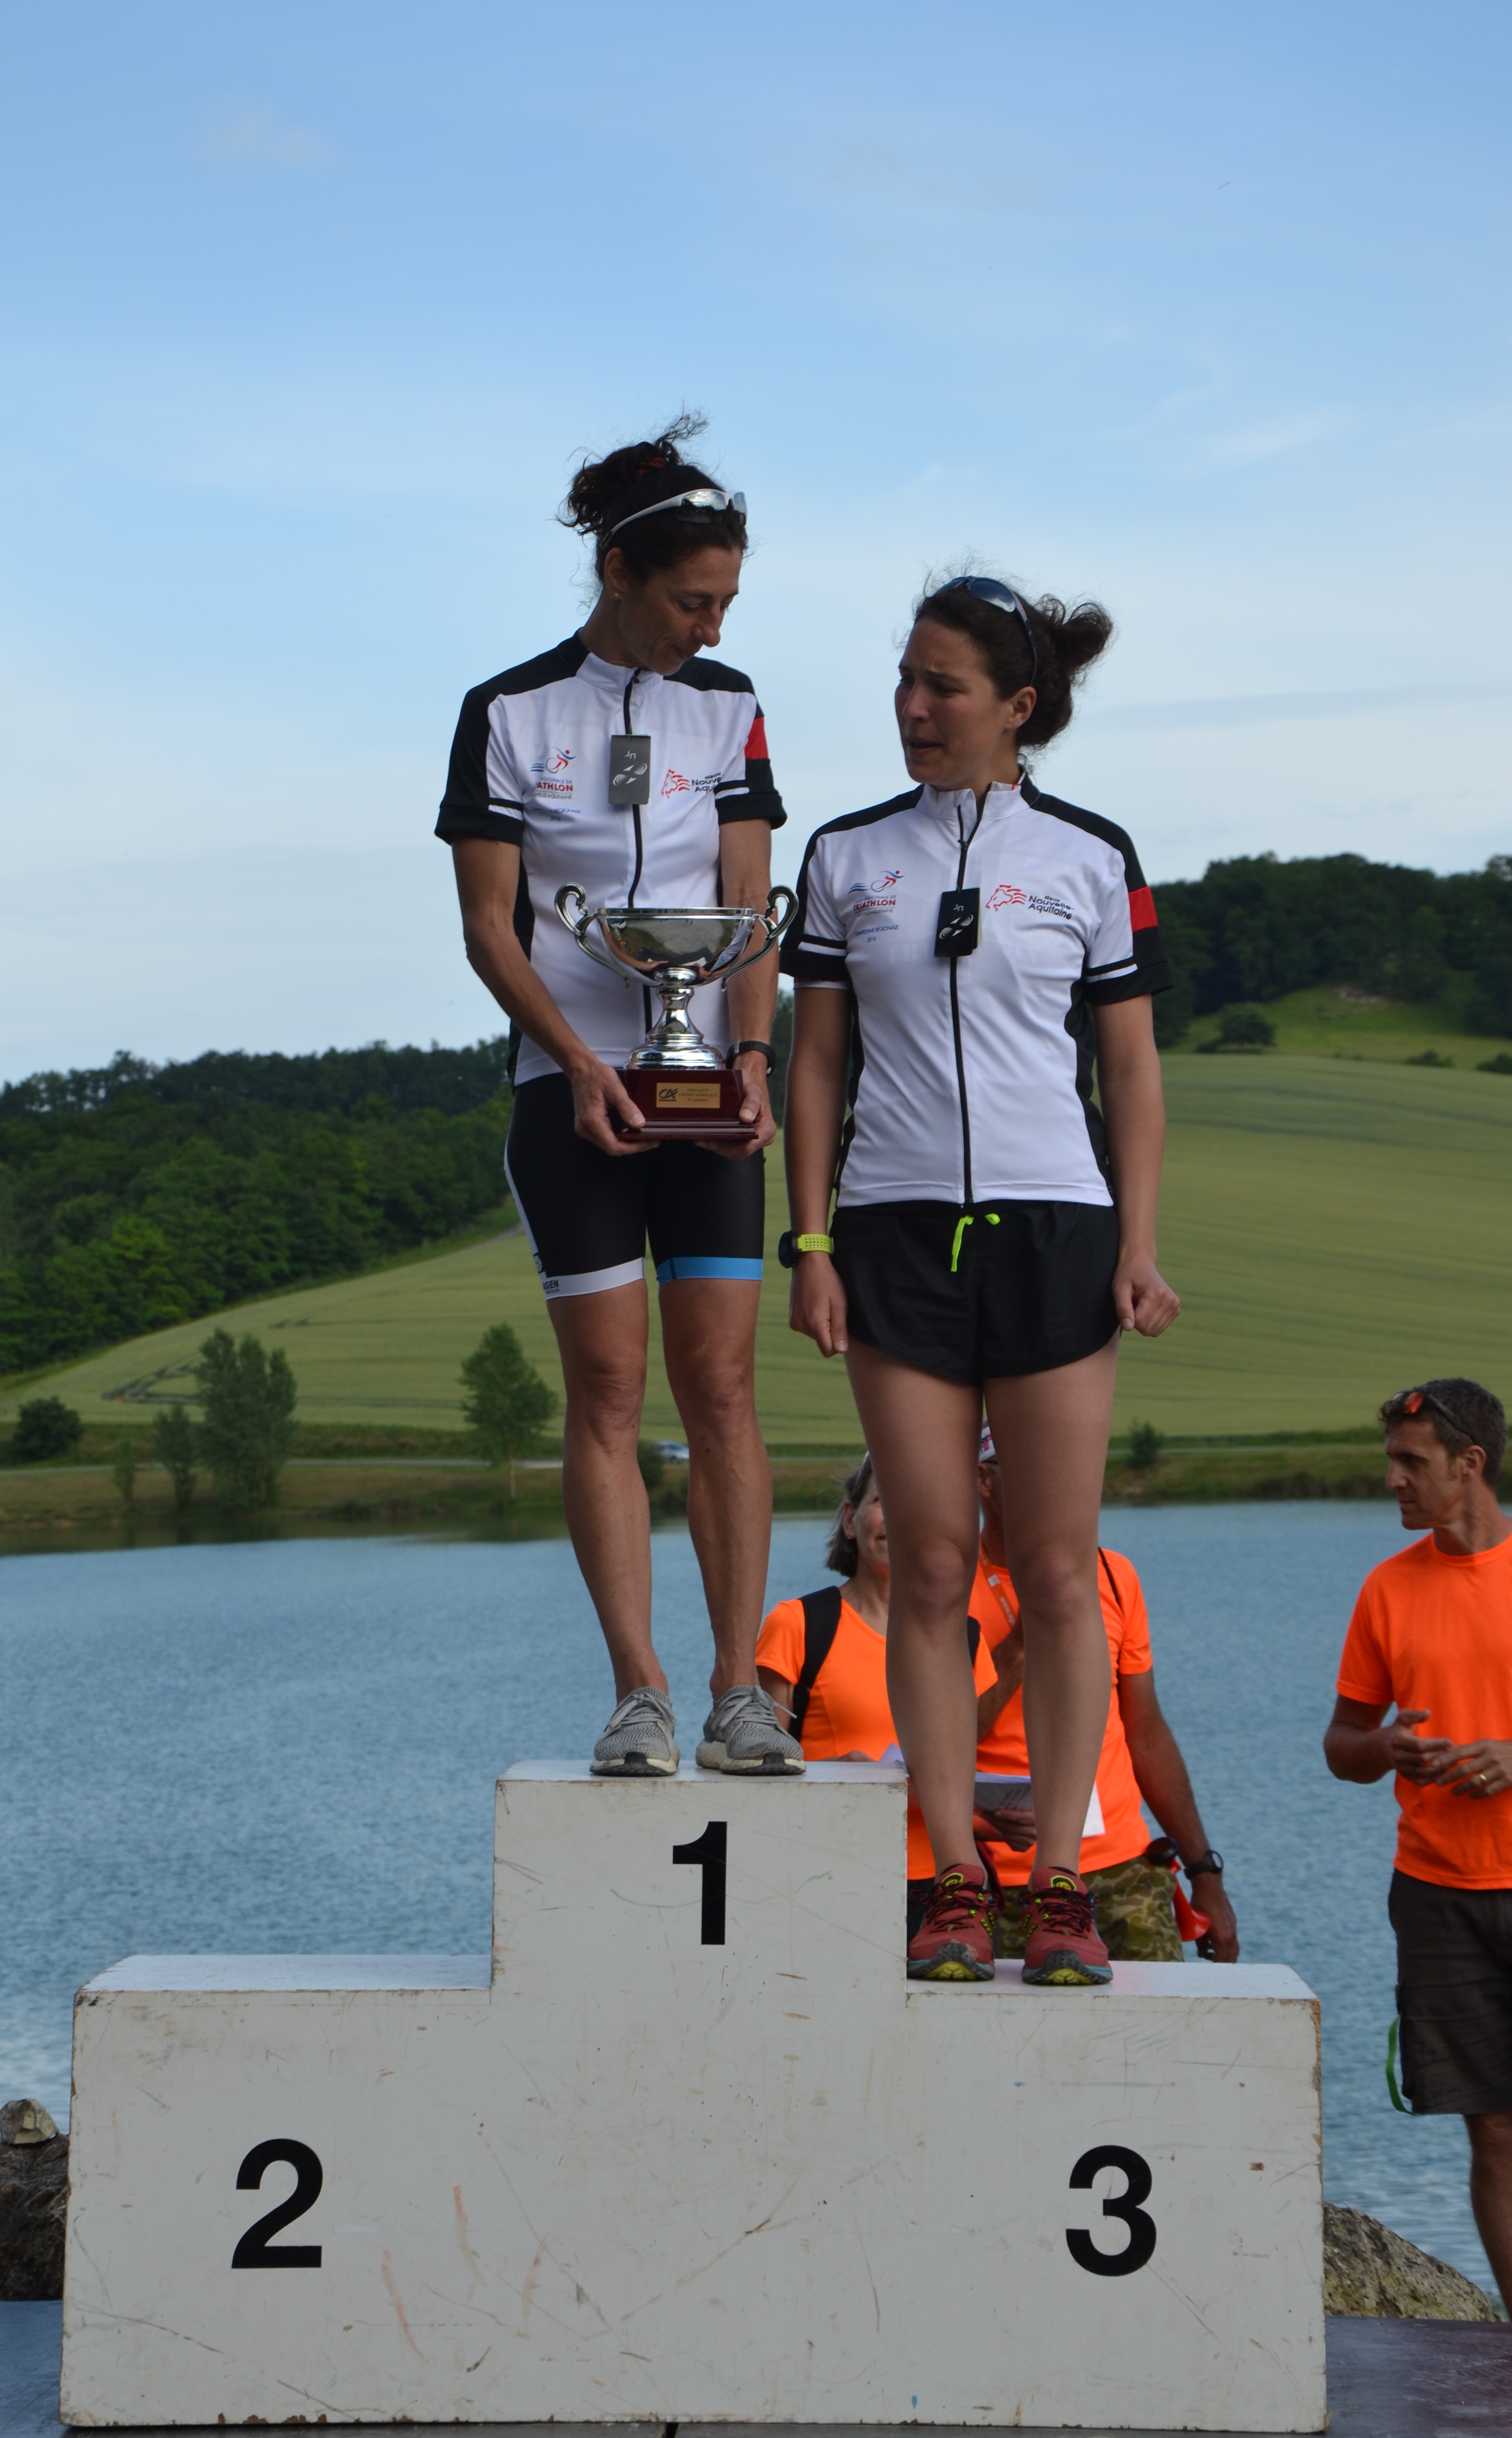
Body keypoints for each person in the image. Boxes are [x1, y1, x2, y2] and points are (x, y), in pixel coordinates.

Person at [780, 571, 1180, 1985]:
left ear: (1016, 706)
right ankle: (952, 1878)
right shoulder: (844, 855)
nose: (912, 706)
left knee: (1058, 1573)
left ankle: (1059, 1882)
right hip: (891, 1235)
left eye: (941, 686)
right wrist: (810, 1244)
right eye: (903, 678)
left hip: (1055, 1231)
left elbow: (1128, 1067)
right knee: (934, 1565)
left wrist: (1136, 1243)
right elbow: (814, 1064)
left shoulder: (1088, 854)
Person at [436, 416, 802, 1780]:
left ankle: (738, 1691)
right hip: (570, 1091)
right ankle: (637, 1690)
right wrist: (580, 1060)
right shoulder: (507, 712)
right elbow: (490, 928)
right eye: (691, 600)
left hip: (708, 1090)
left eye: (726, 602)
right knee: (605, 1388)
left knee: (723, 1385)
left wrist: (752, 1058)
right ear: (617, 573)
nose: (710, 627)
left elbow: (749, 902)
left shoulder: (730, 702)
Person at [1324, 1377, 1512, 2323]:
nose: (1392, 1480)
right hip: (1436, 1895)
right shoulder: (1387, 1587)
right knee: (1494, 2128)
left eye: (1410, 1462)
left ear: (1470, 1463)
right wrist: (1386, 1747)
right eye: (1390, 1460)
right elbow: (1341, 1744)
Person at [972, 1424, 1238, 1962]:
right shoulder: (945, 1588)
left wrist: (1204, 1871)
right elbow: (937, 1740)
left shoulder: (1114, 1575)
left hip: (1126, 1872)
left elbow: (1146, 1733)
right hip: (1004, 1881)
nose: (1052, 1483)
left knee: (1162, 2020)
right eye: (1029, 1467)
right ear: (984, 1480)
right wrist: (1024, 1642)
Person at [756, 1455, 999, 1900]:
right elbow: (757, 1777)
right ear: (851, 1520)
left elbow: (965, 1778)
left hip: (946, 1882)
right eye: (882, 1500)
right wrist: (835, 1774)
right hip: (828, 1875)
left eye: (915, 1506)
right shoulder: (797, 1624)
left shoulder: (964, 1638)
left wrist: (1001, 1822)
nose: (898, 1518)